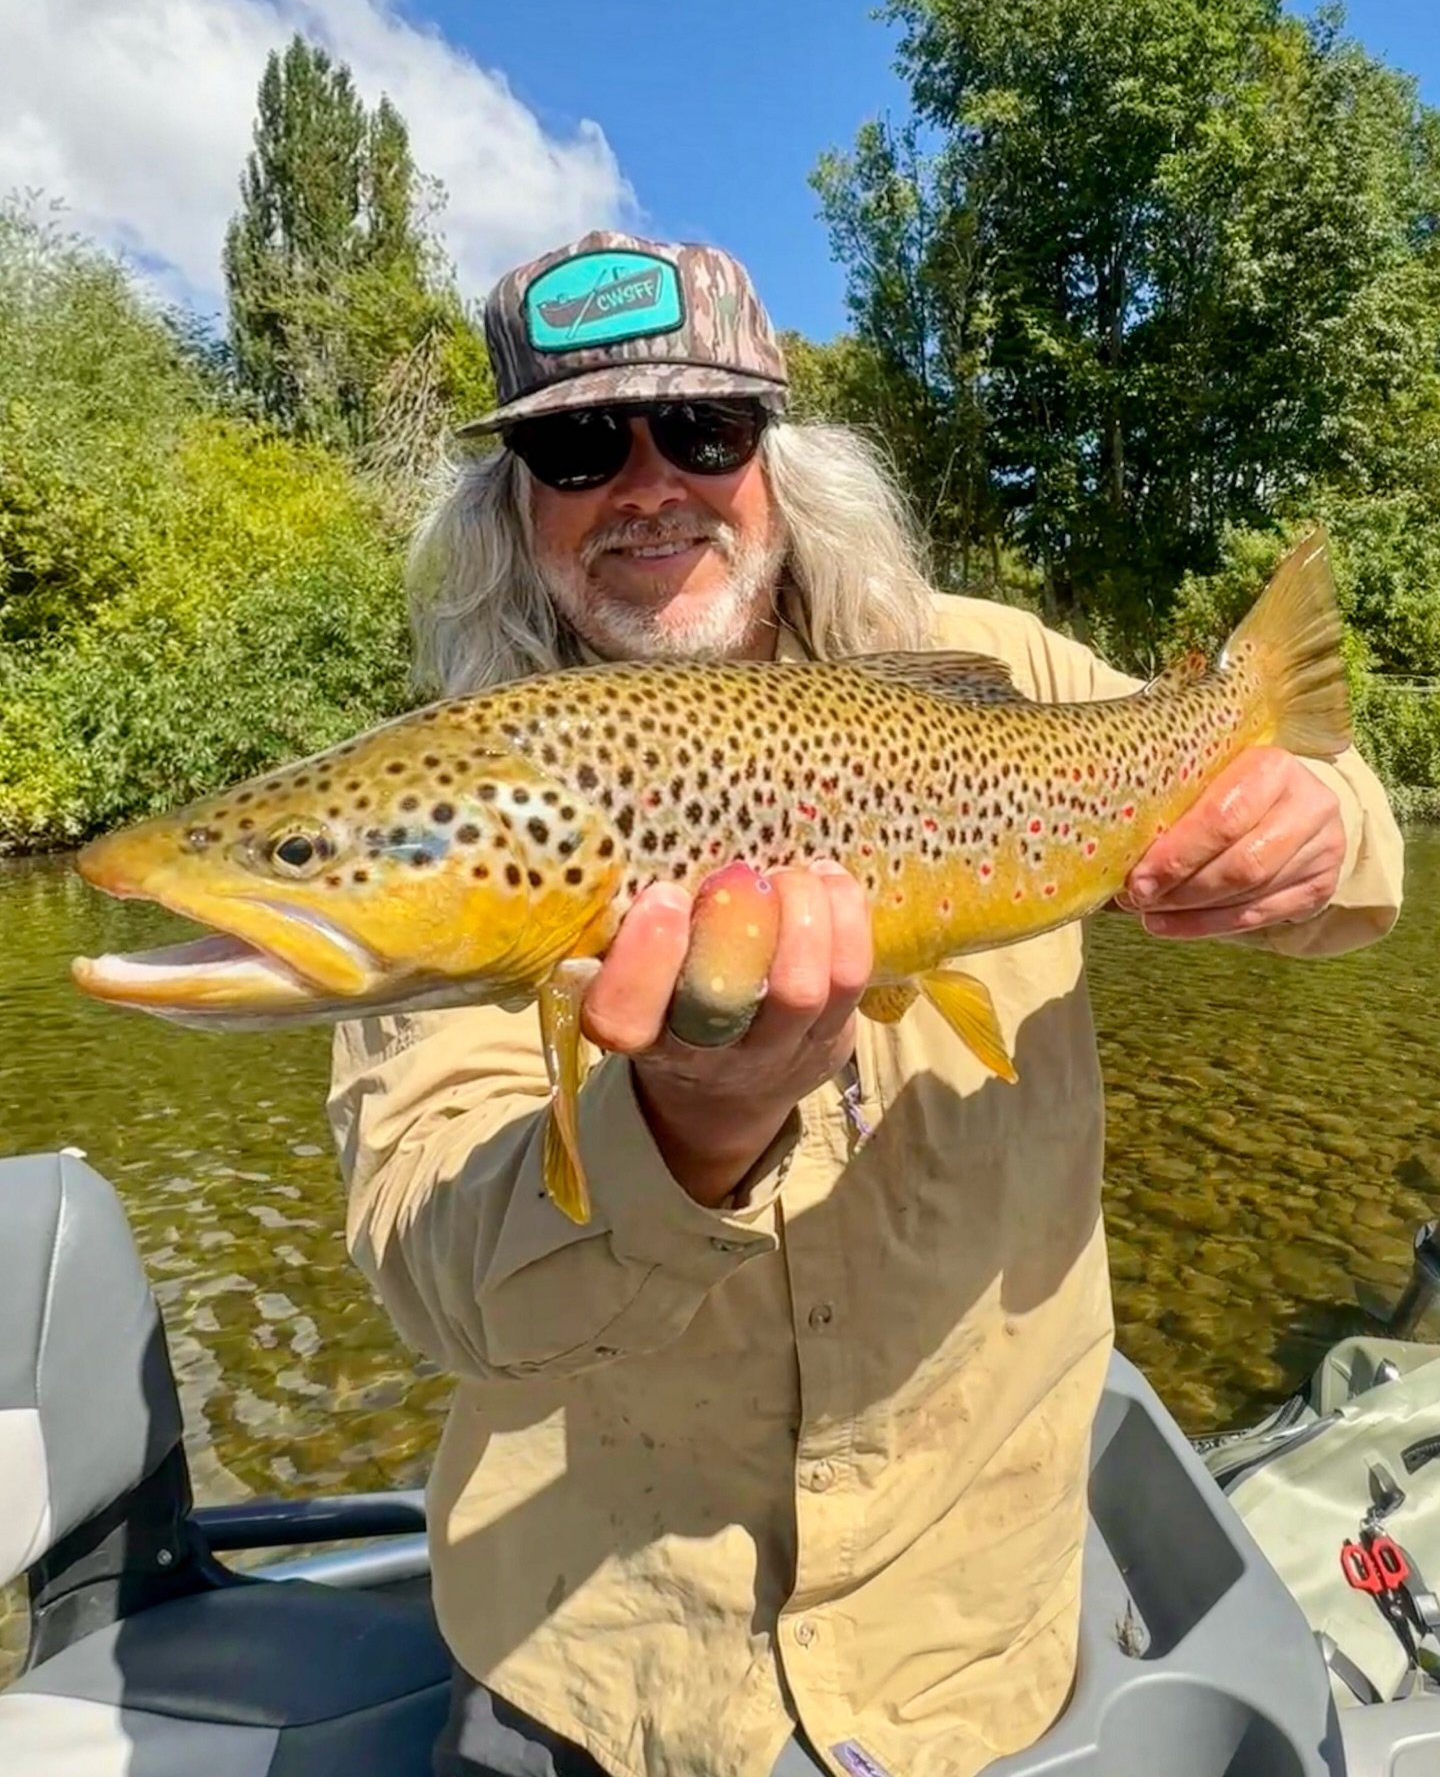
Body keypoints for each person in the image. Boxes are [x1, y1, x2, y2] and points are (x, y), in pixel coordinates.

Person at [326, 230, 1405, 1777]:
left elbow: (1336, 807)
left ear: (776, 458)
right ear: (514, 504)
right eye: (578, 448)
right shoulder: (469, 803)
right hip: (607, 1668)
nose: (648, 484)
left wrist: (1312, 828)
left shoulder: (999, 667)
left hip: (975, 1644)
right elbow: (442, 1282)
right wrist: (687, 1132)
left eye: (700, 429)